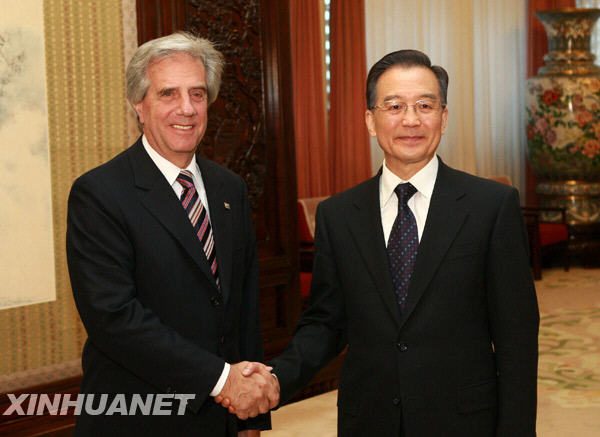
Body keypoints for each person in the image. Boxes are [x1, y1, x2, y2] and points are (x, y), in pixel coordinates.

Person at [230, 49, 540, 436]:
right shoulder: (338, 215)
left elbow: (517, 339)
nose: (411, 120)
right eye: (394, 106)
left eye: (425, 105)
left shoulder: (490, 206)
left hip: (463, 421)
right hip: (369, 420)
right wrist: (276, 380)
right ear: (370, 121)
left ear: (443, 118)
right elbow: (326, 323)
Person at [66, 31, 278, 436]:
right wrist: (222, 380)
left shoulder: (229, 188)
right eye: (168, 94)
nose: (187, 108)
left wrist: (252, 416)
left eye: (197, 94)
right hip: (139, 418)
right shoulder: (99, 193)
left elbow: (244, 307)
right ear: (138, 105)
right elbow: (115, 319)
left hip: (222, 418)